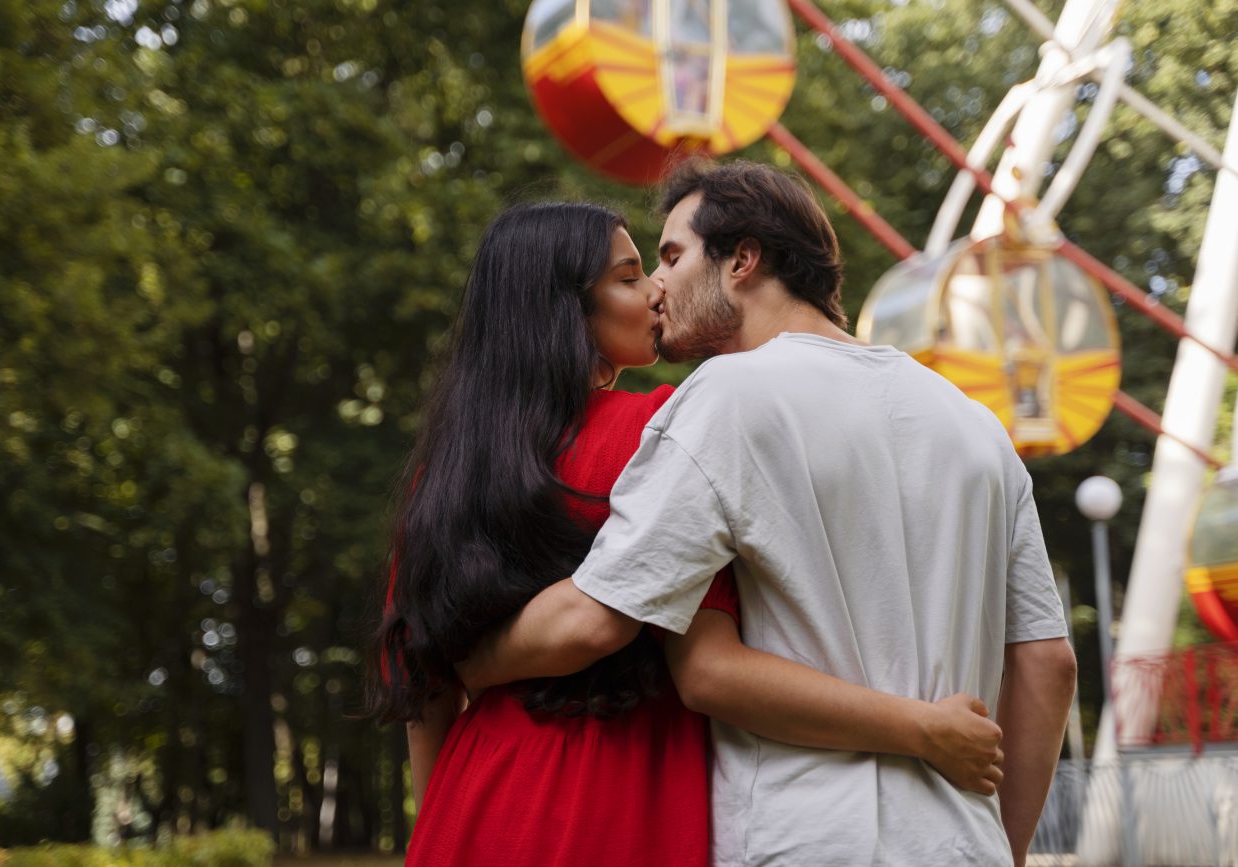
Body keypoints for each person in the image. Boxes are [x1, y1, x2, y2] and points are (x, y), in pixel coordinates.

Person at [459, 162, 1078, 867]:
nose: (657, 286)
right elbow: (1049, 663)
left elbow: (605, 613)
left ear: (743, 259)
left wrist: (467, 660)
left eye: (671, 256)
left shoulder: (727, 396)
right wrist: (1007, 846)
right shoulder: (975, 425)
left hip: (803, 838)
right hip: (962, 845)